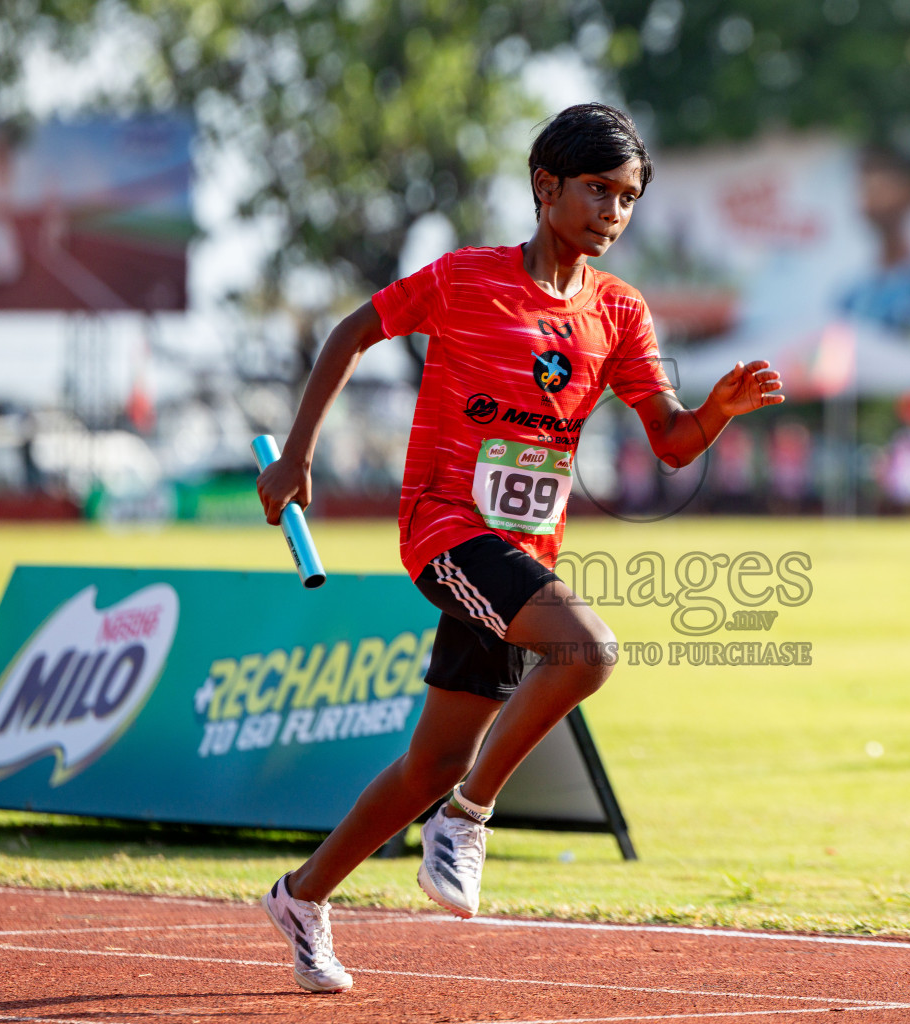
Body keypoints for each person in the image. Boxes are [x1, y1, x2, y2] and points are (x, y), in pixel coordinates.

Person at [254, 103, 783, 995]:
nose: (613, 214)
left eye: (628, 200)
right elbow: (352, 333)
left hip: (524, 554)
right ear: (545, 187)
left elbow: (671, 442)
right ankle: (467, 820)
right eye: (597, 191)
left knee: (433, 760)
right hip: (445, 530)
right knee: (587, 651)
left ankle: (302, 898)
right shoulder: (465, 280)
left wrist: (717, 413)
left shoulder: (620, 312)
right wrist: (299, 455)